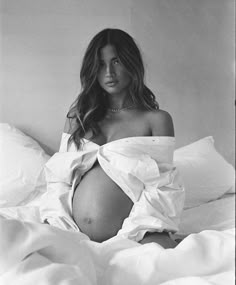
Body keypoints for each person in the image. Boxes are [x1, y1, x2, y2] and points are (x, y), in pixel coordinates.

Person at [41, 28, 184, 248]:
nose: (109, 72)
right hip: (70, 233)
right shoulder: (79, 118)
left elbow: (162, 187)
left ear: (131, 63)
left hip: (134, 235)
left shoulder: (156, 120)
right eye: (100, 64)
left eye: (116, 61)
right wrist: (58, 226)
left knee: (172, 262)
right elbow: (59, 180)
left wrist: (140, 231)